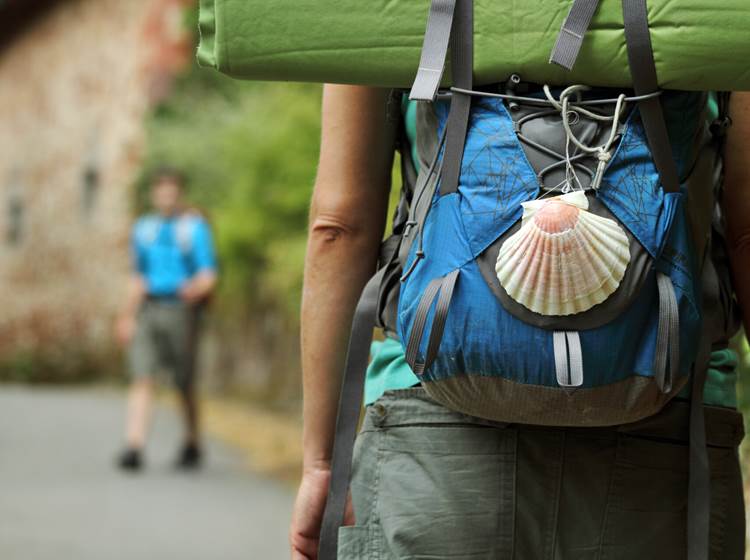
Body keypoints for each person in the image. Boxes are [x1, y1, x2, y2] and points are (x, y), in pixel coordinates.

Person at [289, 86, 750, 559]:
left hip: (431, 439)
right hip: (670, 436)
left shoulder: (392, 9)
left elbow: (339, 226)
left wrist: (322, 463)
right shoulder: (715, 8)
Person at [115, 168, 218, 471]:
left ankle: (192, 440)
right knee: (142, 375)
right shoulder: (144, 229)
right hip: (149, 308)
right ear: (154, 194)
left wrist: (193, 289)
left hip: (181, 310)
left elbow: (208, 275)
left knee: (183, 381)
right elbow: (138, 276)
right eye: (161, 191)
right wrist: (126, 316)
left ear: (180, 194)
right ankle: (134, 445)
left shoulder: (193, 229)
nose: (166, 197)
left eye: (172, 191)